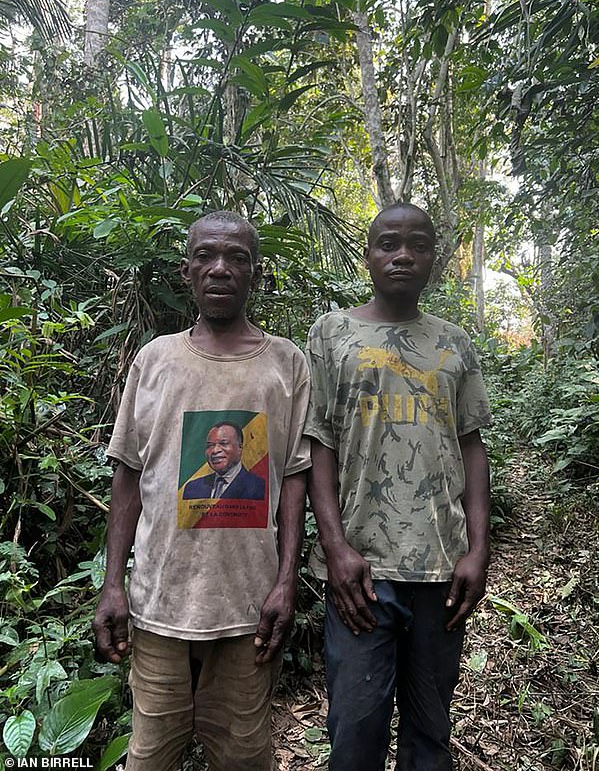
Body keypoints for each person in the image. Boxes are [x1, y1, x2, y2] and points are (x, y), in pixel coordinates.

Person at [93, 211, 311, 771]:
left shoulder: (287, 364)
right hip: (160, 601)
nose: (221, 268)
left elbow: (293, 480)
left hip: (249, 607)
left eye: (237, 258)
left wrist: (286, 582)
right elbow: (129, 477)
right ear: (187, 270)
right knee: (150, 754)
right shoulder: (156, 360)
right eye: (207, 256)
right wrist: (112, 585)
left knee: (242, 754)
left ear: (255, 275)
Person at [304, 202, 492, 771]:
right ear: (368, 255)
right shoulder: (332, 333)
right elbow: (319, 444)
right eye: (389, 243)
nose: (403, 255)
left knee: (430, 737)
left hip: (441, 571)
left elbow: (471, 444)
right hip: (362, 572)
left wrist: (479, 549)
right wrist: (335, 549)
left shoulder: (454, 341)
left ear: (436, 258)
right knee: (355, 733)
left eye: (418, 244)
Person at [183, 422, 266, 500]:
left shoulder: (259, 487)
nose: (215, 450)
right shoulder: (192, 488)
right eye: (210, 445)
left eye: (224, 443)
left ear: (240, 448)